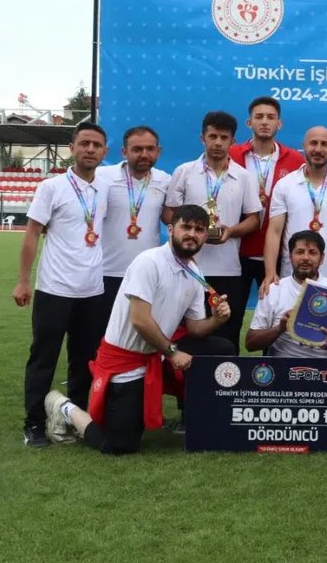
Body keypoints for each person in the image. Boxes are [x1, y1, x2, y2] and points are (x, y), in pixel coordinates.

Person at [42, 204, 235, 454]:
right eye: (185, 227)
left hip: (155, 354)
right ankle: (64, 408)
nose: (192, 234)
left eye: (199, 230)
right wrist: (173, 353)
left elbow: (196, 329)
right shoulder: (149, 262)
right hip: (125, 360)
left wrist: (218, 320)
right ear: (170, 229)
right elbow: (140, 320)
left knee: (222, 348)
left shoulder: (194, 272)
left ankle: (200, 420)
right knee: (119, 445)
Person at [13, 122, 111, 448]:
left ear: (104, 151)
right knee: (44, 357)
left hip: (92, 291)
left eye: (96, 145)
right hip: (54, 289)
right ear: (72, 147)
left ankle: (76, 419)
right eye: (84, 143)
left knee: (84, 361)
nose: (90, 149)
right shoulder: (51, 187)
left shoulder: (105, 188)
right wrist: (23, 281)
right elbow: (31, 234)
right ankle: (34, 423)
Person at [164, 111, 262, 351]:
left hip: (228, 271)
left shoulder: (244, 176)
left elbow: (254, 220)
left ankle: (226, 387)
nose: (218, 142)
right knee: (185, 335)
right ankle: (185, 385)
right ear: (202, 138)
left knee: (227, 335)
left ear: (232, 141)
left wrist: (231, 231)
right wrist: (191, 232)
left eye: (224, 137)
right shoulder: (184, 172)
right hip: (186, 268)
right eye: (213, 136)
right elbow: (168, 213)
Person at [263, 126, 327, 299]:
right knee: (287, 325)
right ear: (304, 146)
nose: (318, 149)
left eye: (324, 144)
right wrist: (271, 272)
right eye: (313, 143)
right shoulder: (285, 185)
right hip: (292, 276)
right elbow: (274, 231)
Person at [229, 96, 306, 313]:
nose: (265, 122)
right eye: (259, 117)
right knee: (231, 318)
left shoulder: (295, 160)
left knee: (277, 319)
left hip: (279, 256)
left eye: (271, 117)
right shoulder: (232, 155)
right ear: (249, 123)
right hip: (238, 253)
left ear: (279, 123)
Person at [94, 126, 171, 332]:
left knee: (139, 334)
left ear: (158, 151)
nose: (144, 154)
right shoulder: (102, 177)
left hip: (145, 274)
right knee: (98, 333)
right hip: (105, 273)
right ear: (124, 152)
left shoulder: (165, 181)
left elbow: (171, 217)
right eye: (137, 149)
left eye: (150, 149)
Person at [245, 230, 327, 358]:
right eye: (299, 252)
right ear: (290, 257)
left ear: (322, 258)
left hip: (324, 369)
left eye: (312, 253)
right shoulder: (274, 290)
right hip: (283, 367)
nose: (305, 258)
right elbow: (250, 344)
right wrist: (280, 328)